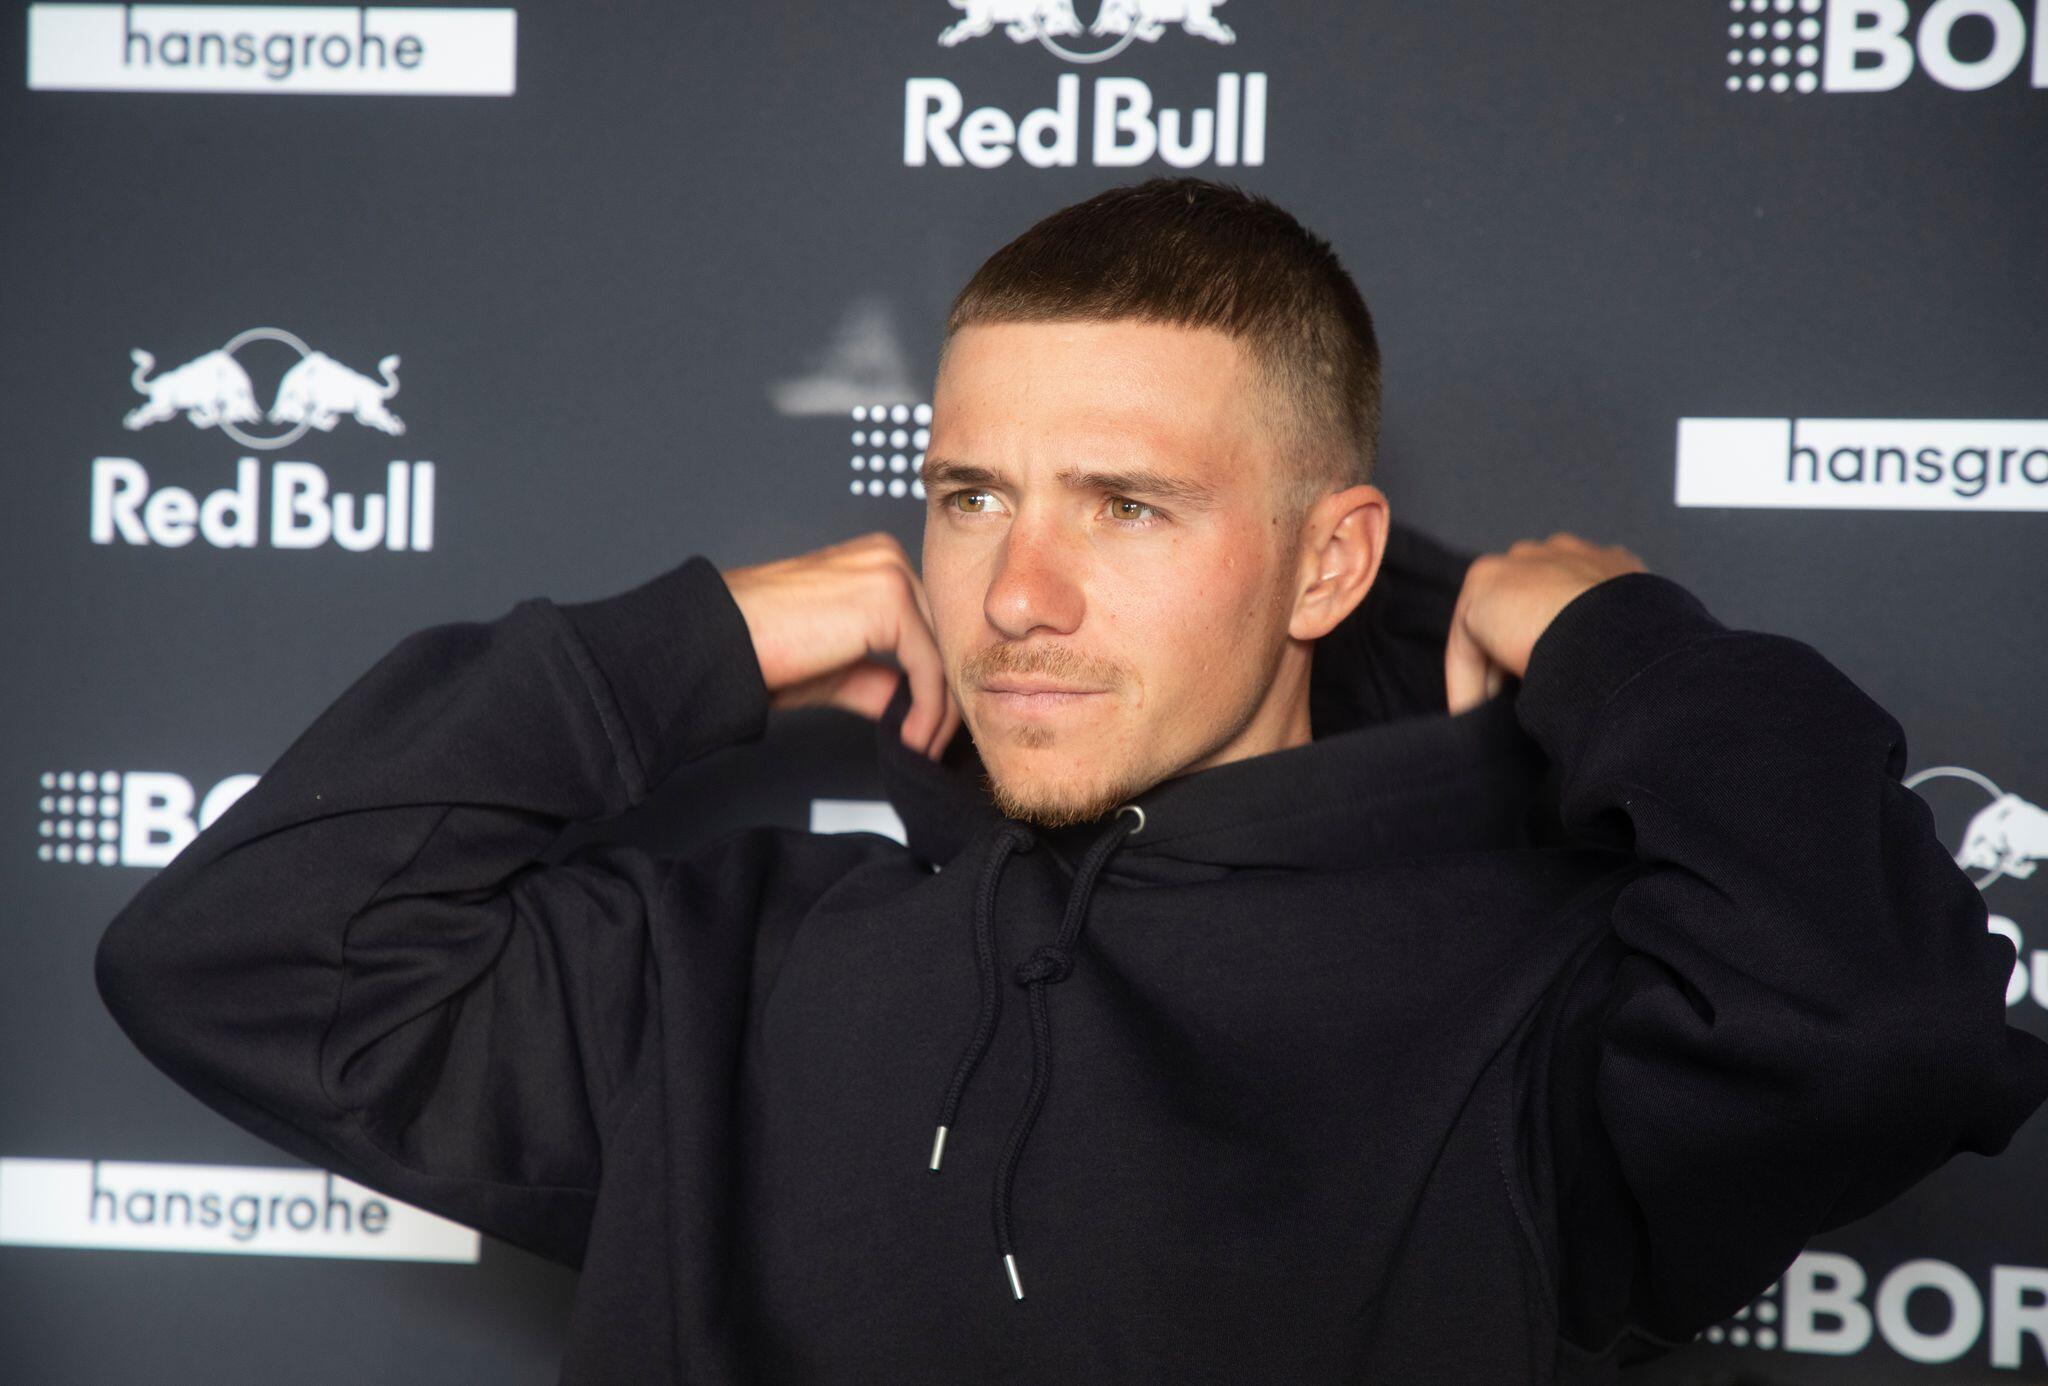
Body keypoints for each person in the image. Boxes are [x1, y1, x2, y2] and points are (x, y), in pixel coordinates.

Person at [95, 176, 2048, 1385]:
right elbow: (234, 951)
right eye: (969, 497)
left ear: (1329, 564)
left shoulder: (1524, 1004)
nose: (1017, 594)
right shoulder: (734, 974)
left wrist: (1625, 651)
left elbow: (1887, 1027)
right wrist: (686, 643)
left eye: (1126, 504)